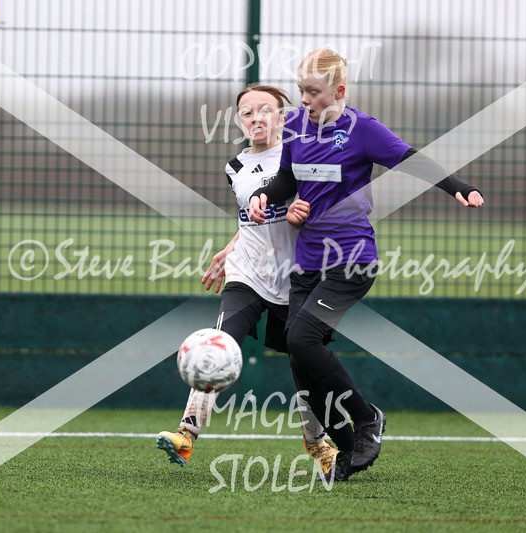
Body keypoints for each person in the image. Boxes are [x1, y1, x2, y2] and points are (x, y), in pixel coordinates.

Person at [248, 48, 485, 482]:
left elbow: (411, 159)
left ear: (338, 91)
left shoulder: (362, 130)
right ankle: (347, 449)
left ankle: (368, 419)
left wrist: (458, 186)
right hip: (308, 263)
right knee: (299, 361)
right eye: (300, 90)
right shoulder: (296, 127)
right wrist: (268, 195)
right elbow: (286, 178)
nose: (303, 99)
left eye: (313, 91)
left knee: (302, 339)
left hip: (351, 259)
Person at [156, 84, 338, 474]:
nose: (256, 118)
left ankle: (317, 442)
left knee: (304, 359)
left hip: (297, 277)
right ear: (239, 120)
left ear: (283, 116)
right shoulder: (235, 167)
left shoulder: (302, 155)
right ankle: (186, 434)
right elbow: (251, 217)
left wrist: (301, 214)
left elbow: (316, 207)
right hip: (247, 272)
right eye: (247, 113)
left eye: (265, 110)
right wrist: (229, 248)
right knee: (217, 343)